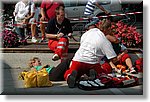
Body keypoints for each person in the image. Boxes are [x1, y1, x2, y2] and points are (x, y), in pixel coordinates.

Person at [64, 19, 118, 88]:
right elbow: (114, 59)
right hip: (92, 63)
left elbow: (82, 43)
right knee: (106, 66)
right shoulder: (104, 40)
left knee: (70, 71)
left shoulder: (89, 32)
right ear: (109, 29)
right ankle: (93, 75)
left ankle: (69, 76)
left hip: (77, 59)